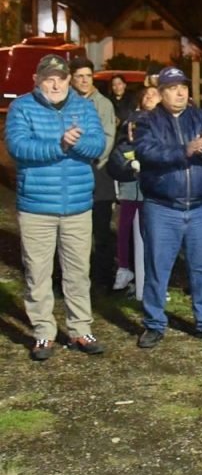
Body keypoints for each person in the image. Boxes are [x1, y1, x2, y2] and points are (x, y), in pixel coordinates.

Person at [5, 55, 106, 360]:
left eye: (61, 78)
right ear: (37, 79)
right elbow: (18, 147)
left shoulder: (84, 107)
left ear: (69, 80)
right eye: (49, 78)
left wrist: (75, 143)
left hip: (77, 206)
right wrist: (59, 145)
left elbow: (98, 145)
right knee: (38, 273)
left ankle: (80, 330)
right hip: (37, 206)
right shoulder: (22, 107)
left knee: (78, 272)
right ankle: (43, 333)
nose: (55, 83)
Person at [133, 67, 202, 348]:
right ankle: (153, 323)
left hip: (199, 208)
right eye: (173, 88)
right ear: (161, 93)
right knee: (158, 268)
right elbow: (145, 151)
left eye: (184, 87)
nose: (180, 92)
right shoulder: (148, 121)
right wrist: (183, 151)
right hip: (162, 207)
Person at [69, 57, 117, 290]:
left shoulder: (103, 104)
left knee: (101, 230)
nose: (84, 80)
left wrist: (94, 160)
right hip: (71, 173)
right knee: (73, 231)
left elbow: (108, 137)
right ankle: (75, 280)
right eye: (79, 76)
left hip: (98, 173)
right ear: (72, 78)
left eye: (88, 76)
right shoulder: (64, 102)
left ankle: (102, 279)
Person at [112, 85, 161, 293]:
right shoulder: (133, 119)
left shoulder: (166, 122)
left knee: (151, 232)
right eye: (146, 94)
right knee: (125, 228)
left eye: (154, 94)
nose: (150, 97)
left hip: (155, 188)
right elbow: (124, 146)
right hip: (131, 186)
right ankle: (125, 268)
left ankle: (153, 278)